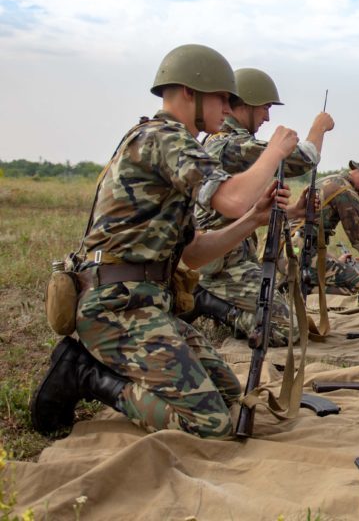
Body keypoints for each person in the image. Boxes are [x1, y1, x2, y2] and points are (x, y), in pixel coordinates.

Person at [30, 44, 300, 439]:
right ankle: (84, 373)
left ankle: (103, 370)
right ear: (192, 92)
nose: (227, 108)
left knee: (232, 397)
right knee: (211, 425)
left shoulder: (172, 148)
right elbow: (232, 197)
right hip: (116, 308)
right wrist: (274, 152)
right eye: (223, 97)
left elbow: (194, 252)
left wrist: (254, 219)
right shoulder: (163, 138)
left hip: (144, 304)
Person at [183, 67, 335, 342]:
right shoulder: (230, 146)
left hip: (230, 255)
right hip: (222, 264)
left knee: (287, 319)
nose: (267, 117)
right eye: (264, 108)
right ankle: (206, 301)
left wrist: (294, 212)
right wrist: (318, 128)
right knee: (286, 331)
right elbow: (301, 159)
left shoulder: (226, 143)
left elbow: (238, 214)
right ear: (248, 104)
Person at [298, 159, 359, 294]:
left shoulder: (331, 180)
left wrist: (335, 261)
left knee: (343, 272)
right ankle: (302, 288)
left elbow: (309, 239)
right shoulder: (347, 192)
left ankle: (299, 282)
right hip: (299, 253)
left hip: (291, 249)